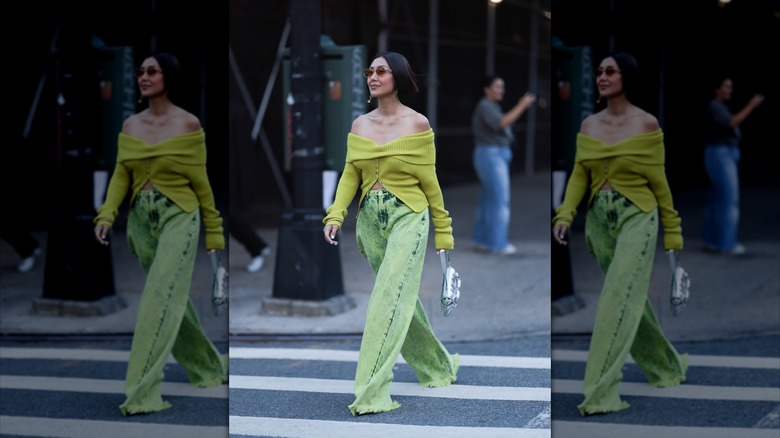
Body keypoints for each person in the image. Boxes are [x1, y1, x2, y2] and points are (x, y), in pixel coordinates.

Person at [322, 51, 459, 416]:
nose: (373, 76)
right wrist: (336, 214)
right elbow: (351, 175)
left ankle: (370, 390)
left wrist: (443, 232)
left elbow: (431, 184)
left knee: (385, 300)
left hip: (409, 217)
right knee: (401, 298)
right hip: (370, 222)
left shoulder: (418, 124)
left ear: (397, 77)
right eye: (370, 71)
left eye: (381, 70)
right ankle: (437, 365)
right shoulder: (359, 125)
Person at [552, 52, 688, 415]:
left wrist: (672, 233)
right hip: (600, 223)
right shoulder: (588, 125)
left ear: (626, 76)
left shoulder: (646, 124)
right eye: (598, 71)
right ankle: (666, 366)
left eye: (610, 71)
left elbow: (661, 184)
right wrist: (565, 214)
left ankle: (600, 391)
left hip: (639, 218)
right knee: (630, 297)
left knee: (615, 301)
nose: (602, 76)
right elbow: (580, 175)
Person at [93, 52, 228, 416]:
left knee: (156, 301)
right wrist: (106, 215)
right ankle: (208, 366)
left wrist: (214, 233)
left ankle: (141, 392)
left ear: (168, 76)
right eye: (140, 71)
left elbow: (202, 184)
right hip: (141, 222)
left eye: (152, 71)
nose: (144, 76)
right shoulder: (130, 126)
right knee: (171, 297)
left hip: (180, 218)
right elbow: (121, 175)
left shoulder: (188, 124)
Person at [471, 76, 536, 255]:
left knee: (488, 200)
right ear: (487, 89)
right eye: (498, 86)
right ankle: (497, 244)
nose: (501, 90)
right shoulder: (485, 105)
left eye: (502, 87)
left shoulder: (492, 106)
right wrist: (522, 105)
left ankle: (483, 240)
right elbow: (503, 122)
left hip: (492, 154)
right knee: (499, 200)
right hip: (491, 155)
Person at [701, 77, 764, 255]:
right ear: (717, 89)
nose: (730, 90)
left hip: (721, 153)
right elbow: (731, 122)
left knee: (717, 200)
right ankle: (727, 243)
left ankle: (712, 240)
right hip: (721, 155)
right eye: (726, 87)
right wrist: (751, 105)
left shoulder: (721, 106)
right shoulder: (715, 106)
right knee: (729, 201)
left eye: (731, 87)